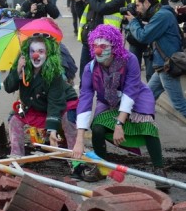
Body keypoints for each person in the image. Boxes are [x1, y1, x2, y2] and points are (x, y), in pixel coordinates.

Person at [72, 24, 170, 190]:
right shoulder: (90, 69)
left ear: (114, 46)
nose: (98, 51)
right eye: (95, 46)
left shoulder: (130, 60)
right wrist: (79, 139)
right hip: (109, 103)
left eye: (103, 46)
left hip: (137, 98)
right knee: (97, 128)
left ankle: (159, 170)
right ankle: (101, 167)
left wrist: (119, 124)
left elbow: (130, 92)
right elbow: (85, 100)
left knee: (148, 127)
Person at [4, 33, 78, 156]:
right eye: (32, 51)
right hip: (36, 105)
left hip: (62, 102)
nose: (35, 55)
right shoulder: (22, 66)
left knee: (68, 121)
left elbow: (55, 103)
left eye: (40, 51)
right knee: (14, 120)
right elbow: (8, 87)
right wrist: (17, 71)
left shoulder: (54, 73)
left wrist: (52, 130)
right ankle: (16, 156)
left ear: (48, 53)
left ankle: (76, 158)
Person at [125, 0, 186, 118]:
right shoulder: (160, 13)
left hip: (167, 66)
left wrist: (133, 22)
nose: (137, 9)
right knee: (146, 96)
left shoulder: (162, 16)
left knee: (179, 104)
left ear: (146, 3)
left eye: (138, 5)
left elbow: (143, 36)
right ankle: (137, 124)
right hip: (162, 65)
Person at [77, 0, 125, 85]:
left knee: (105, 77)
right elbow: (83, 15)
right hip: (89, 41)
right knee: (84, 75)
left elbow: (101, 9)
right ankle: (84, 101)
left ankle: (106, 101)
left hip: (106, 44)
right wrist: (78, 1)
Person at [124, 0, 169, 82]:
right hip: (135, 37)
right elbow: (132, 11)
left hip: (151, 38)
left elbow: (163, 17)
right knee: (133, 71)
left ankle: (149, 97)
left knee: (151, 73)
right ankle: (135, 95)